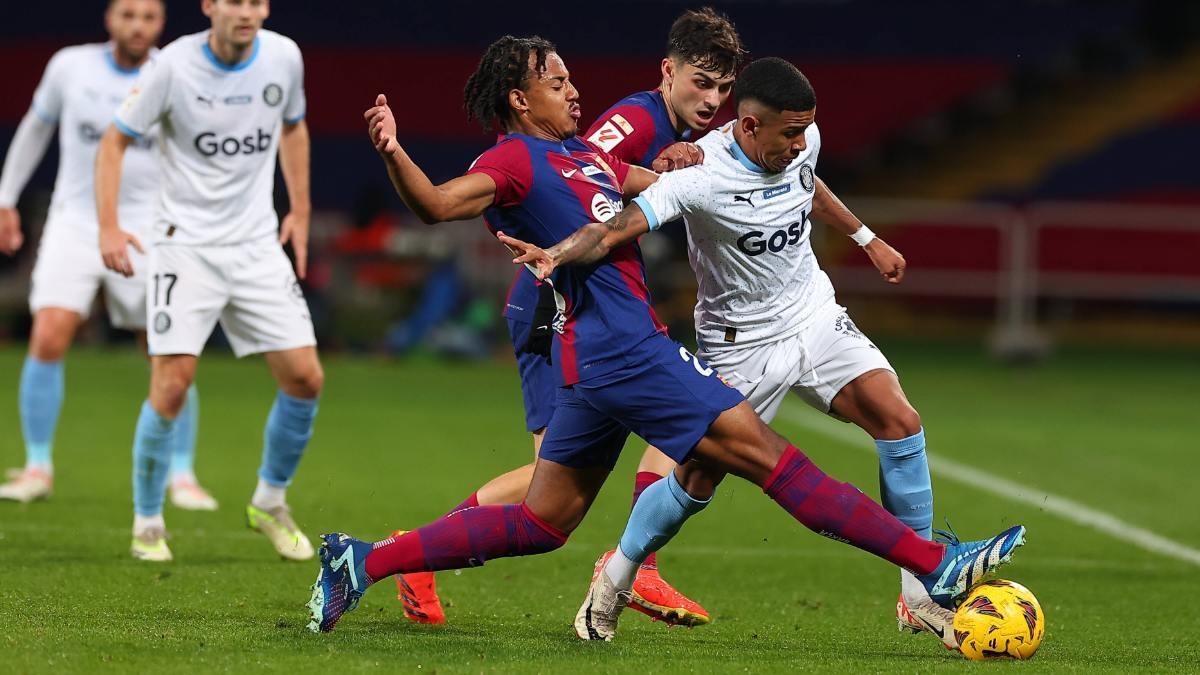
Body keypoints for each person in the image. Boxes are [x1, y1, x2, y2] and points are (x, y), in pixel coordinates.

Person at [305, 39, 1026, 639]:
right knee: (775, 461)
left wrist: (692, 162)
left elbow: (662, 189)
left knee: (543, 520)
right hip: (624, 349)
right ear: (521, 100)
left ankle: (361, 560)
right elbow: (436, 204)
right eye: (556, 83)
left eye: (570, 78)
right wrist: (394, 152)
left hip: (596, 358)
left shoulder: (583, 157)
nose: (573, 91)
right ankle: (934, 565)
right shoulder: (516, 160)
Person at [527, 55, 963, 647]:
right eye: (790, 133)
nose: (802, 142)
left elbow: (808, 184)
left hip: (813, 315)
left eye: (807, 128)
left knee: (899, 420)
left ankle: (920, 595)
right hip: (740, 345)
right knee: (696, 482)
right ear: (751, 126)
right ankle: (618, 575)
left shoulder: (800, 141)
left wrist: (867, 237)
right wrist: (557, 253)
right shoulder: (700, 171)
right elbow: (616, 226)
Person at [391, 7, 744, 628]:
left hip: (589, 309)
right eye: (702, 82)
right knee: (643, 437)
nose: (712, 98)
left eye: (724, 87)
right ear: (670, 73)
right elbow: (556, 178)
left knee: (559, 477)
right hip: (556, 309)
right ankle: (638, 568)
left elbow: (624, 184)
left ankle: (416, 554)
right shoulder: (626, 122)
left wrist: (691, 179)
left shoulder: (610, 143)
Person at [95, 0, 321, 562]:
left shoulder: (284, 57)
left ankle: (269, 500)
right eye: (234, 1)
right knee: (171, 385)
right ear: (209, 7)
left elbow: (293, 129)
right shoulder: (171, 66)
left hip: (254, 244)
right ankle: (148, 520)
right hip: (184, 246)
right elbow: (113, 141)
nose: (246, 12)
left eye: (255, 2)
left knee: (305, 378)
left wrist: (300, 208)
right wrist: (108, 227)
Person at [0, 0, 215, 510]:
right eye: (127, 14)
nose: (137, 25)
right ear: (109, 19)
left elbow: (196, 155)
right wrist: (5, 197)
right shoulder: (69, 66)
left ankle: (182, 473)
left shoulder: (175, 72)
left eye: (147, 17)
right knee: (49, 333)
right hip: (75, 221)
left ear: (161, 24)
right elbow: (35, 128)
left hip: (147, 228)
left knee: (164, 348)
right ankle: (36, 466)